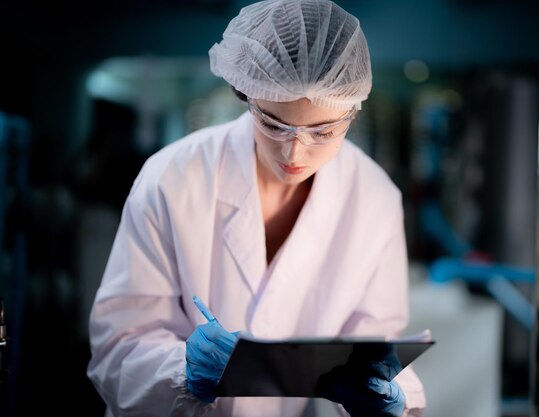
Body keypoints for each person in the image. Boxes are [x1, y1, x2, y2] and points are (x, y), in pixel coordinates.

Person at [86, 0, 426, 416]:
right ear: (246, 95)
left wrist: (388, 396)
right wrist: (181, 372)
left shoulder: (373, 199)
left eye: (324, 131)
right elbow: (118, 349)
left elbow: (376, 344)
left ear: (353, 113)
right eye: (273, 124)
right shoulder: (171, 178)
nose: (295, 151)